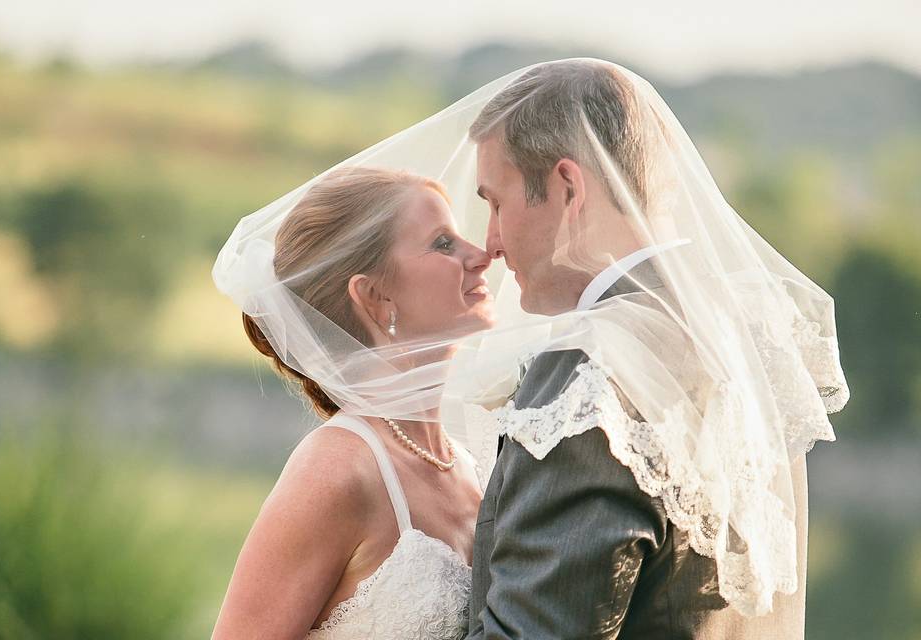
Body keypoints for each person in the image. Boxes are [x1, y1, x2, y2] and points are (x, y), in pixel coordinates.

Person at [465, 59, 848, 638]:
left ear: (568, 189)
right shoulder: (747, 339)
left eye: (496, 203)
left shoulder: (588, 371)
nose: (490, 242)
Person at [211, 167, 492, 639]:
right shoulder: (338, 469)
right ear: (376, 296)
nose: (481, 256)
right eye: (443, 244)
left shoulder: (467, 464)